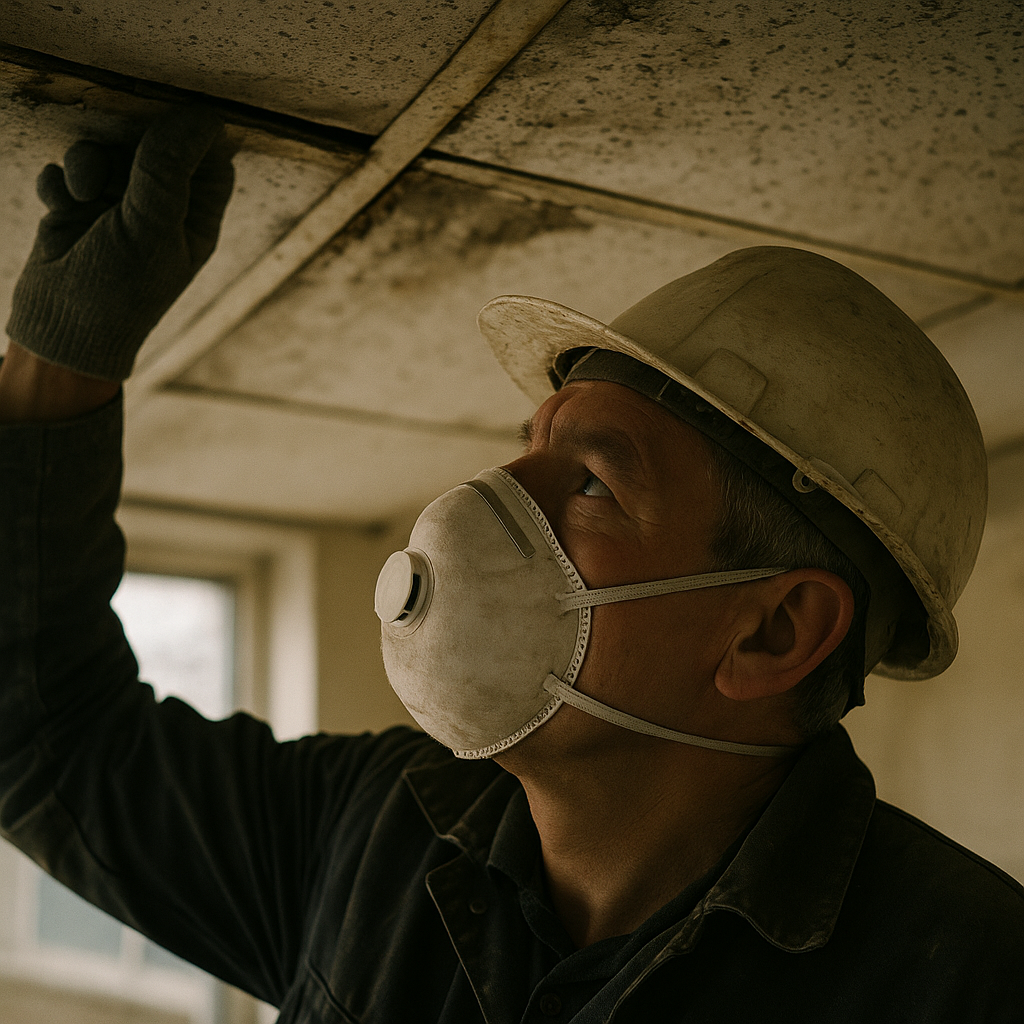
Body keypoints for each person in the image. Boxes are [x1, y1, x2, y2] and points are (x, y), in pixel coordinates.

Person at [0, 107, 1021, 1024]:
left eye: (591, 486)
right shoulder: (371, 837)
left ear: (772, 632)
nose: (483, 501)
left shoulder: (966, 980)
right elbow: (44, 738)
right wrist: (57, 363)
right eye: (526, 446)